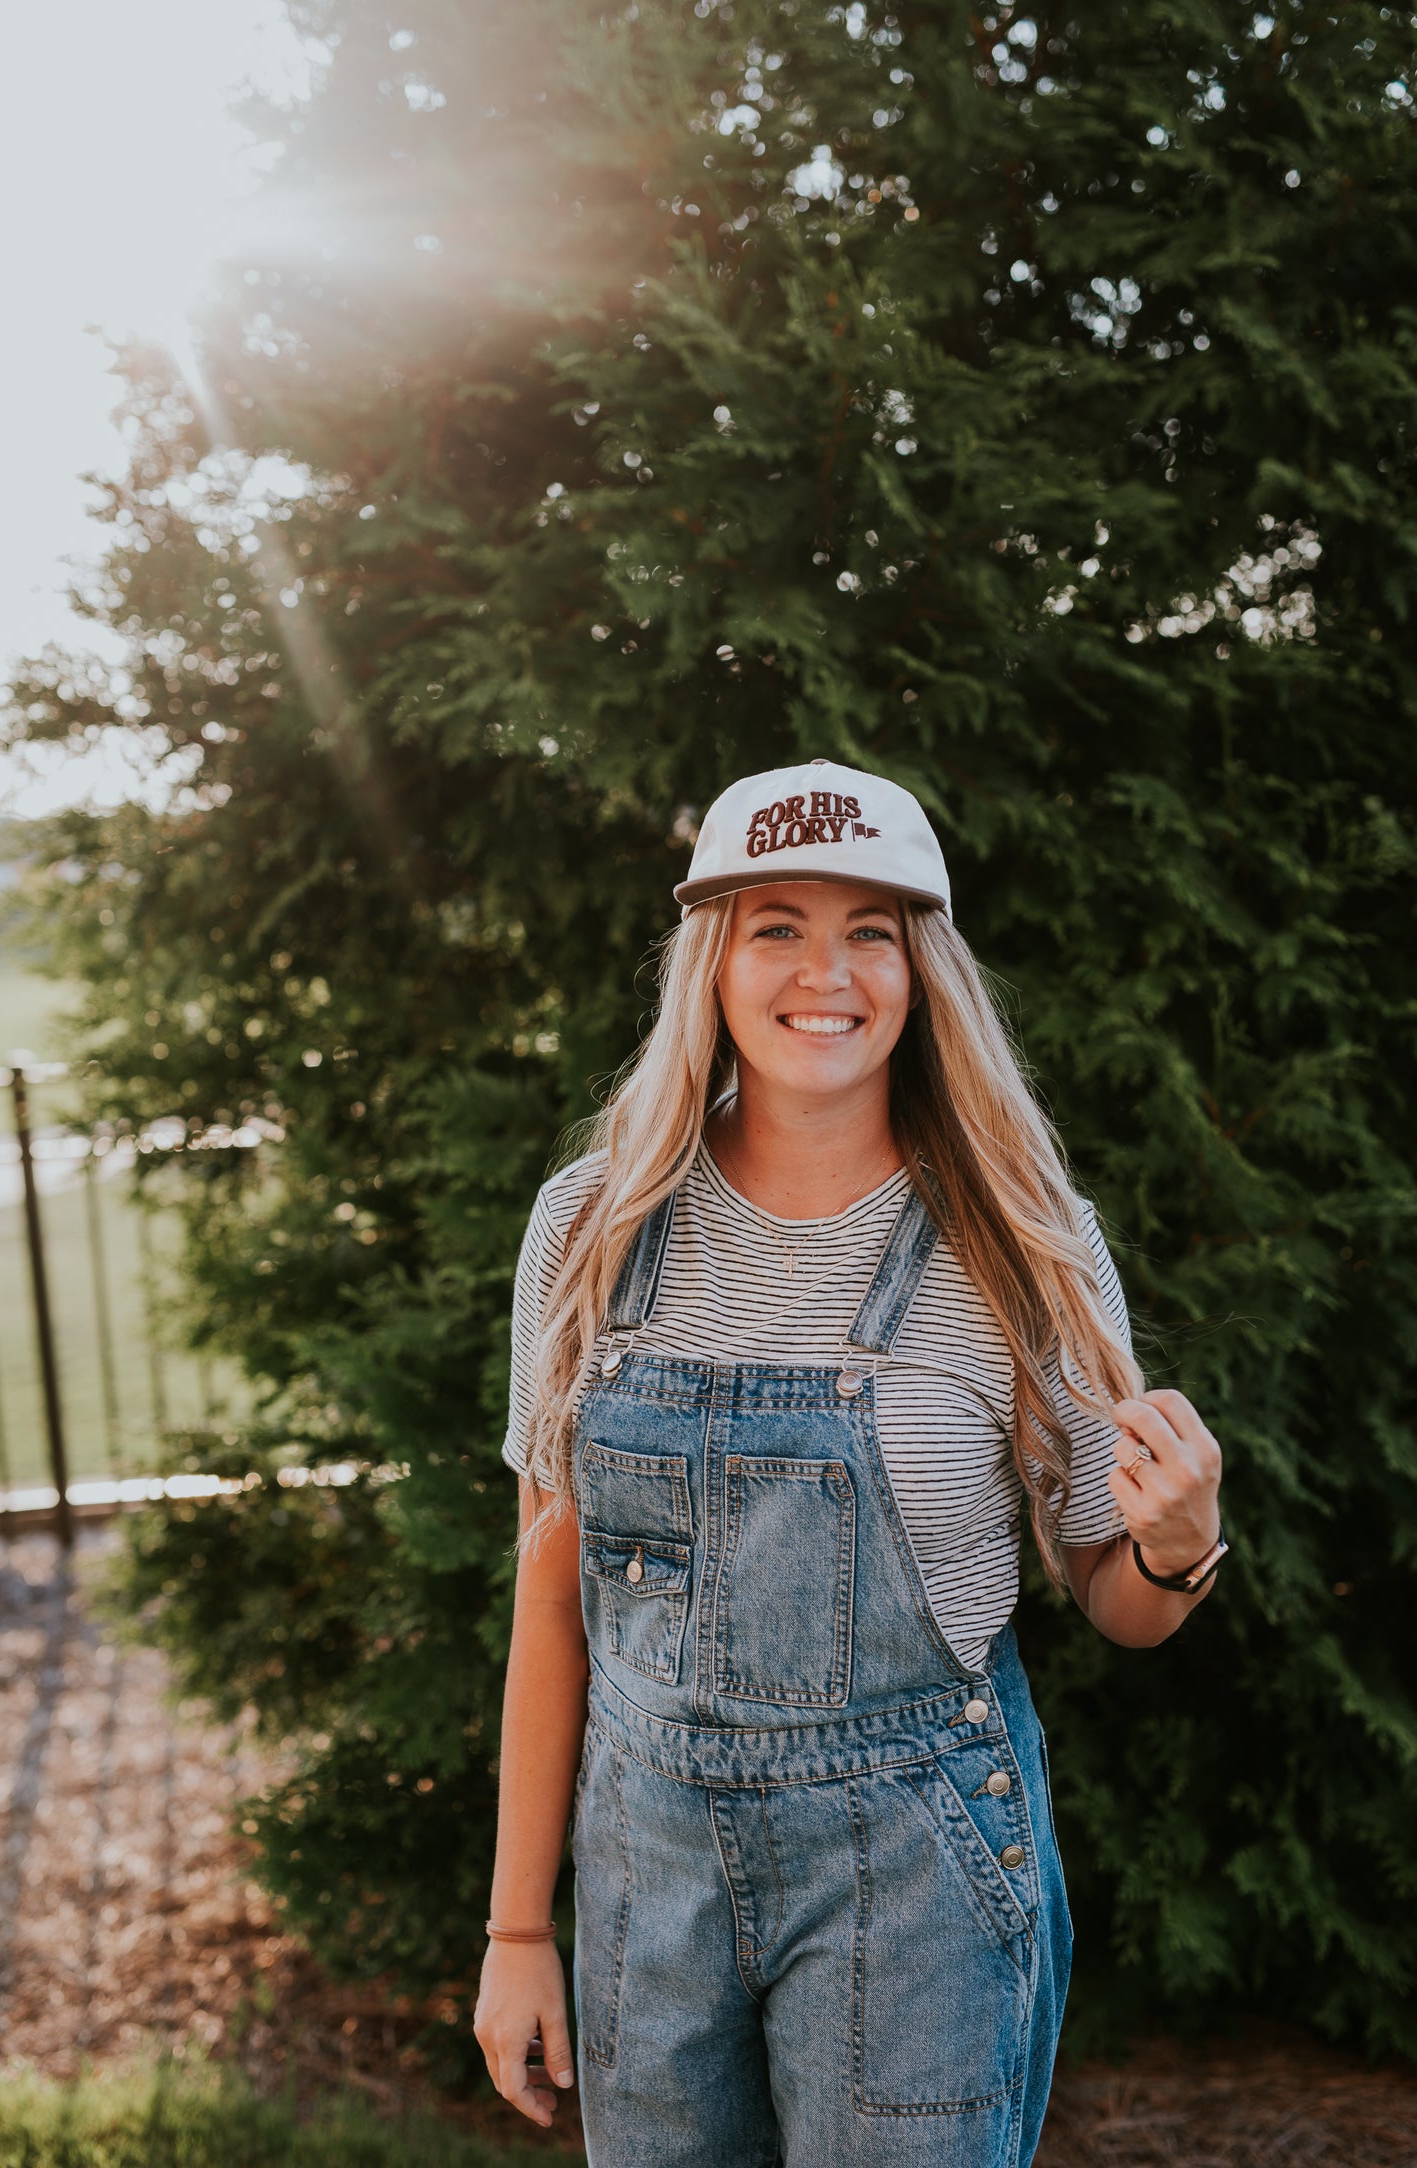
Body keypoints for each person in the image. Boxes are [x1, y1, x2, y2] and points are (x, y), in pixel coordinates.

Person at [475, 759, 1226, 2167]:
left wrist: (1178, 1540)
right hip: (646, 1876)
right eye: (777, 926)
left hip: (916, 1871)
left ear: (920, 968)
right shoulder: (587, 1225)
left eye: (868, 931)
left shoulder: (1024, 1240)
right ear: (710, 957)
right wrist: (519, 1928)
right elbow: (547, 1590)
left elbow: (1116, 1600)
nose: (826, 972)